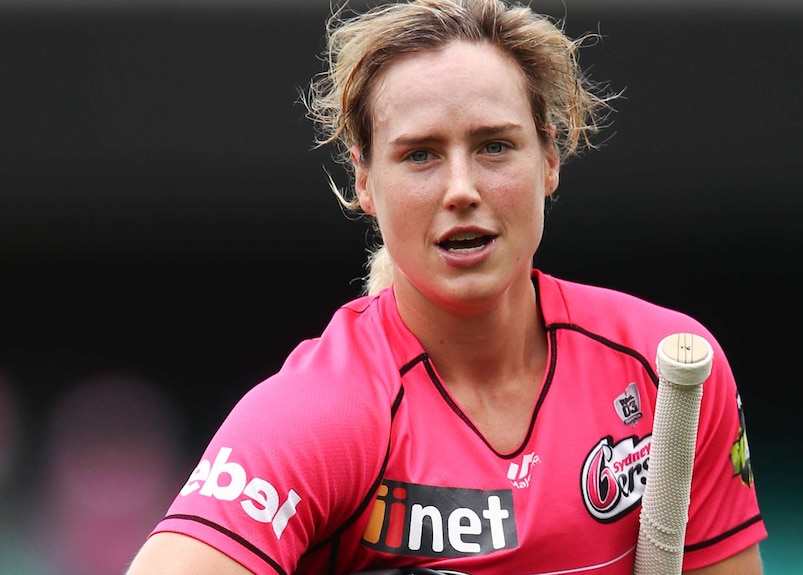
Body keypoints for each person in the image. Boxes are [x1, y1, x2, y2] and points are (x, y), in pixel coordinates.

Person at [126, 0, 767, 573]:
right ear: (365, 181)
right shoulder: (320, 415)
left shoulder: (668, 367)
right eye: (421, 155)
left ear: (550, 157)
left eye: (494, 146)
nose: (461, 189)